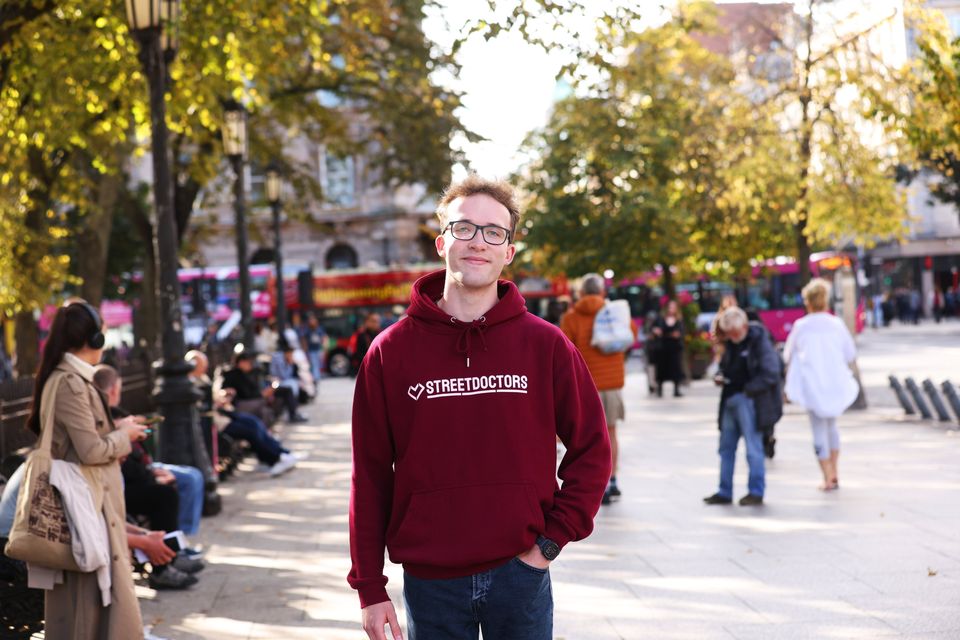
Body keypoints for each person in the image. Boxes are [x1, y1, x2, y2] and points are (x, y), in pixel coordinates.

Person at [348, 176, 610, 640]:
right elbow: (370, 476)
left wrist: (549, 543)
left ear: (508, 251)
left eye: (494, 232)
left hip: (521, 573)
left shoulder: (545, 344)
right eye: (464, 228)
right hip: (431, 581)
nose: (478, 242)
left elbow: (592, 447)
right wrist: (370, 586)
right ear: (441, 241)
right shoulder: (389, 352)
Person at [22, 301, 149, 637]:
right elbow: (91, 451)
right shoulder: (71, 384)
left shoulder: (74, 379)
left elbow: (83, 440)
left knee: (94, 609)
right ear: (94, 338)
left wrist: (118, 429)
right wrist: (125, 436)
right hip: (84, 509)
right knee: (85, 611)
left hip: (91, 505)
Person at [561, 273, 637, 505]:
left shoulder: (571, 318)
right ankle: (612, 481)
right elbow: (631, 334)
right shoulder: (615, 312)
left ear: (581, 293)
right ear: (602, 292)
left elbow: (565, 350)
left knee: (587, 438)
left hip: (586, 385)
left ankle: (596, 486)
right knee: (611, 434)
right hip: (612, 383)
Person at [784, 278, 859, 491]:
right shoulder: (836, 324)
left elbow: (788, 354)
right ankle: (834, 470)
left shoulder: (801, 326)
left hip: (812, 383)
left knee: (818, 429)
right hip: (833, 382)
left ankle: (826, 475)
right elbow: (850, 353)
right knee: (832, 426)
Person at [704, 307, 782, 507]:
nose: (732, 337)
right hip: (730, 398)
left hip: (749, 400)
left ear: (745, 326)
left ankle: (755, 491)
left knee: (753, 448)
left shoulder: (759, 341)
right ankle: (724, 490)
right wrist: (720, 375)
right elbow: (726, 365)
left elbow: (771, 373)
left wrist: (748, 390)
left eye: (735, 333)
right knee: (725, 448)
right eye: (728, 334)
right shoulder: (731, 343)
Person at [187, 350, 298, 477]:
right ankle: (275, 458)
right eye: (202, 365)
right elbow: (202, 407)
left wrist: (222, 398)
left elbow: (212, 399)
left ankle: (281, 454)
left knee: (253, 422)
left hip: (223, 414)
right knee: (250, 430)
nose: (205, 368)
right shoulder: (191, 382)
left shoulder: (201, 378)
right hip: (215, 422)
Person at [652, 299, 685, 397]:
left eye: (674, 307)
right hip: (662, 348)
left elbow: (681, 332)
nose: (671, 309)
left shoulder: (679, 319)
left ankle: (676, 389)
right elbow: (654, 328)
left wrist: (677, 335)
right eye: (670, 307)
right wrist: (656, 331)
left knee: (675, 369)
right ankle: (660, 389)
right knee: (661, 369)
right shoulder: (660, 318)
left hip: (674, 348)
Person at [301, 315, 328, 382]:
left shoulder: (319, 329)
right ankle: (316, 378)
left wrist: (324, 347)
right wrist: (305, 349)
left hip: (318, 349)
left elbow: (324, 338)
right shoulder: (307, 330)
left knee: (318, 364)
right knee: (313, 363)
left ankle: (317, 376)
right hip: (311, 350)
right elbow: (304, 339)